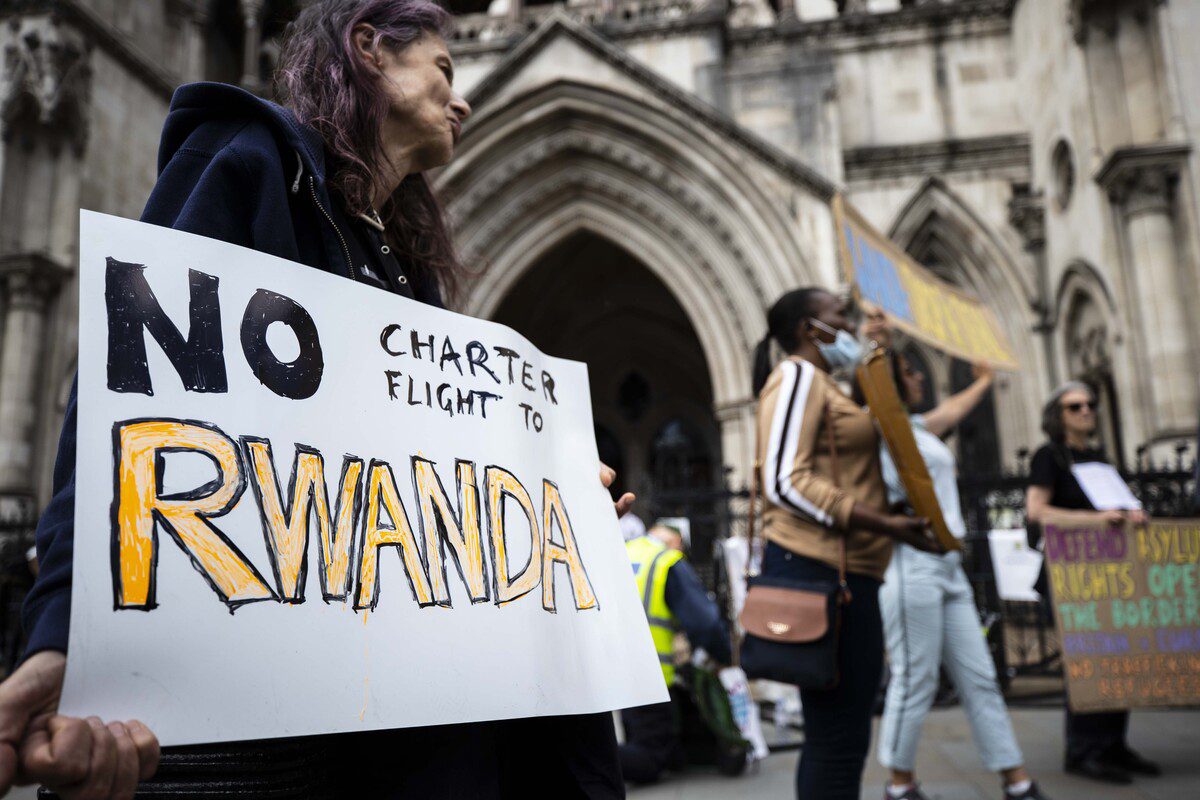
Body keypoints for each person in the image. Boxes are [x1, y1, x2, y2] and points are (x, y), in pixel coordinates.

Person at [0, 3, 635, 798]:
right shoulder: (249, 161)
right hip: (265, 709)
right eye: (444, 68)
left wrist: (546, 513)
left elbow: (421, 478)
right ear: (369, 51)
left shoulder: (409, 264)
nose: (461, 99)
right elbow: (135, 391)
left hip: (390, 699)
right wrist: (66, 629)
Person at [751, 288, 937, 800]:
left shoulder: (827, 385)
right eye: (841, 318)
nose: (849, 327)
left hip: (849, 570)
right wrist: (883, 524)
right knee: (837, 734)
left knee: (845, 731)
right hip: (821, 570)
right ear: (812, 329)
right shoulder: (796, 376)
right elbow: (785, 481)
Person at [864, 348, 1049, 800]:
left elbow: (950, 411)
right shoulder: (883, 431)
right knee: (915, 678)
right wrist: (875, 337)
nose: (920, 379)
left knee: (980, 675)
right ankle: (899, 785)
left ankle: (1016, 779)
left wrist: (983, 382)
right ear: (892, 382)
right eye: (909, 373)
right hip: (913, 564)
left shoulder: (917, 429)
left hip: (949, 565)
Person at [1024, 382, 1157, 785]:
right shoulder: (1049, 457)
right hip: (1070, 577)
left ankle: (1113, 744)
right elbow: (1037, 511)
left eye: (1090, 404)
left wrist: (1133, 514)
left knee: (1117, 657)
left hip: (1108, 575)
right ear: (1058, 415)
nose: (1086, 411)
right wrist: (1096, 520)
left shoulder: (1099, 459)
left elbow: (1116, 508)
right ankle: (1083, 750)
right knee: (1087, 661)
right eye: (1074, 406)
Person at [619, 523, 732, 784]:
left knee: (655, 743)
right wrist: (724, 658)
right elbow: (705, 624)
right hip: (653, 676)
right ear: (677, 541)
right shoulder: (666, 560)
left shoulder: (623, 552)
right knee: (650, 759)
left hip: (621, 673)